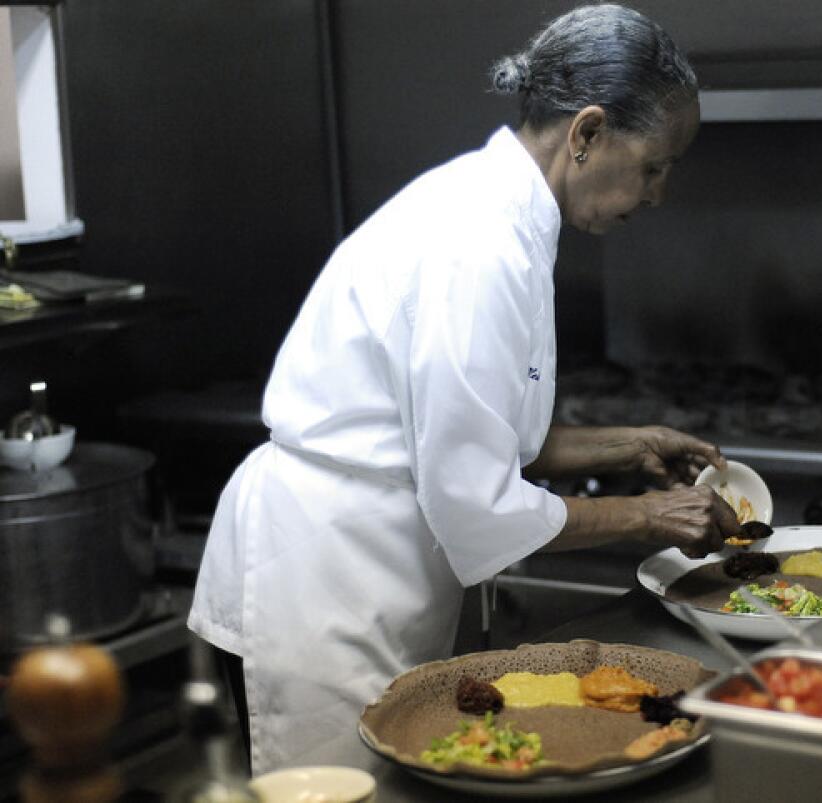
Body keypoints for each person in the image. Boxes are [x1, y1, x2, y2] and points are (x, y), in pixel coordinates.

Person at [187, 2, 742, 774]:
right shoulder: (479, 246)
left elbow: (483, 435)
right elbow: (476, 501)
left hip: (373, 567)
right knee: (341, 789)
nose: (657, 194)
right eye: (653, 166)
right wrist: (651, 515)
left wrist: (628, 445)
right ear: (585, 134)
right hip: (325, 579)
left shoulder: (505, 215)